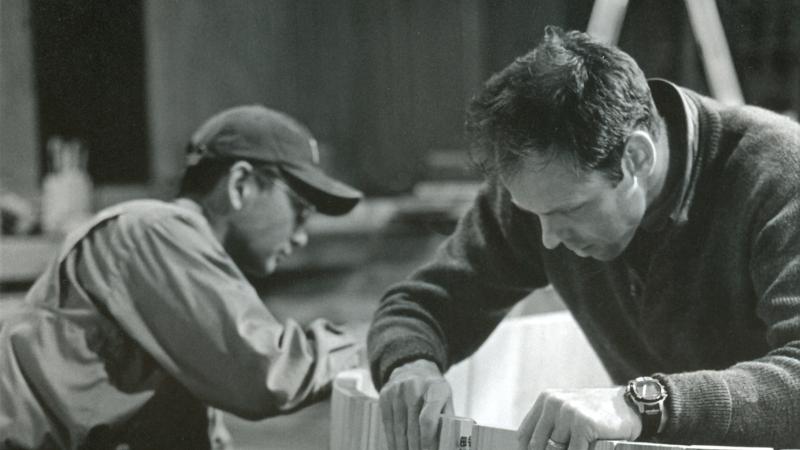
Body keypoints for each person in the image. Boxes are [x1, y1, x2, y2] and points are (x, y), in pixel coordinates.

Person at [367, 26, 800, 450]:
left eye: (569, 211)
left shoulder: (780, 174)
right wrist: (410, 366)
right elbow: (419, 306)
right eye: (533, 215)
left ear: (636, 157)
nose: (549, 239)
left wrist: (641, 404)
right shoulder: (542, 188)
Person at [0, 105, 365, 449]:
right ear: (241, 184)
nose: (302, 236)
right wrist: (374, 341)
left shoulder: (180, 273)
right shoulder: (153, 230)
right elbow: (268, 374)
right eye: (299, 210)